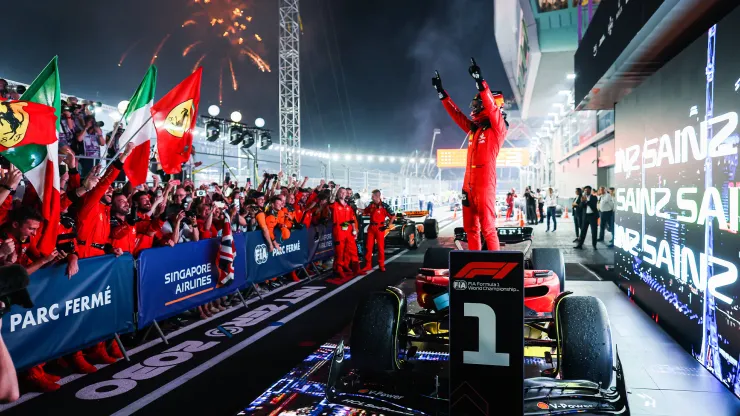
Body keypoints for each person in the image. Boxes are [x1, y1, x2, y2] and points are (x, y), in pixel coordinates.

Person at [433, 58, 507, 250]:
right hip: (468, 187)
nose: (473, 107)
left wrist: (481, 82)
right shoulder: (474, 130)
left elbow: (492, 108)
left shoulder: (497, 130)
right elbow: (457, 114)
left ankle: (496, 267)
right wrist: (442, 94)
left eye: (477, 103)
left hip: (485, 187)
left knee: (488, 229)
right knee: (470, 229)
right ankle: (474, 262)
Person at [361, 189, 396, 272]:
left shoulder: (385, 206)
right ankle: (368, 265)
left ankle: (381, 265)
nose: (371, 197)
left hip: (380, 228)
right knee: (368, 247)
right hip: (371, 228)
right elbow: (365, 211)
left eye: (372, 196)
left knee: (380, 248)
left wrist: (388, 225)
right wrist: (356, 208)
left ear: (377, 196)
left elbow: (393, 216)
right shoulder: (371, 205)